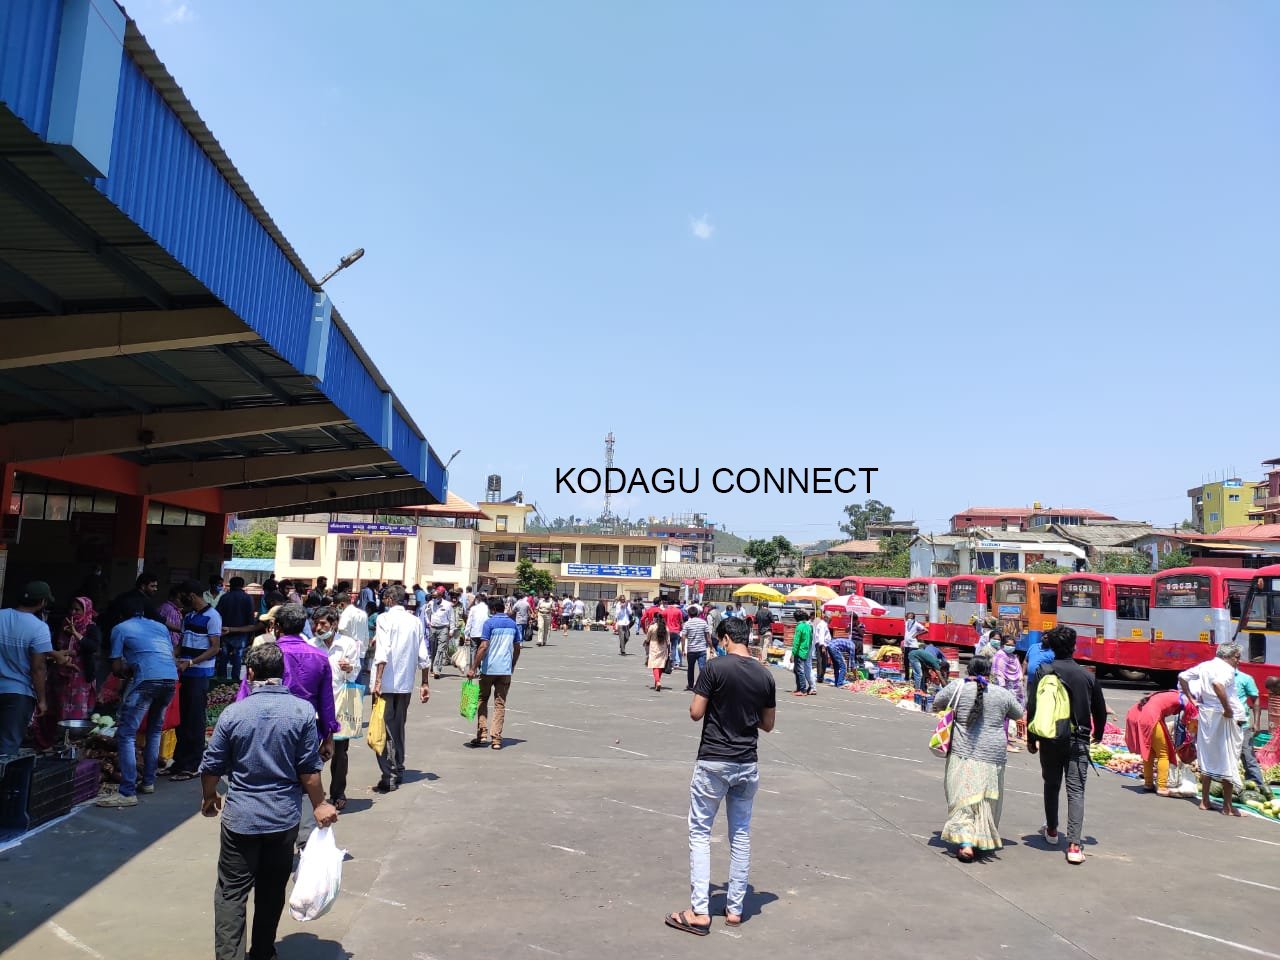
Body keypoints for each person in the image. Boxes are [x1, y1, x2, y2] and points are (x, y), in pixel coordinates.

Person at [200, 642, 338, 960]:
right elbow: (309, 770)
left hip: (240, 819)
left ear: (249, 674)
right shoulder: (302, 712)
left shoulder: (233, 713)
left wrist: (209, 797)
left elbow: (211, 765)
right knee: (271, 889)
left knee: (231, 892)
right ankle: (262, 952)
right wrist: (320, 804)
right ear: (283, 673)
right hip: (283, 818)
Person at [665, 616, 776, 937]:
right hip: (747, 762)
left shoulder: (714, 668)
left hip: (714, 760)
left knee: (700, 831)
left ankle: (700, 911)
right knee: (740, 834)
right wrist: (745, 712)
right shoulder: (764, 675)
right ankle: (735, 908)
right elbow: (768, 724)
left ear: (726, 638)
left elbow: (695, 712)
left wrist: (720, 703)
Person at [1026, 626, 1107, 865]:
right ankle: (1074, 844)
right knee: (1076, 790)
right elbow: (1100, 711)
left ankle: (1052, 830)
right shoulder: (1087, 676)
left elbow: (1033, 706)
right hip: (1079, 739)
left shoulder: (1043, 671)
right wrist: (1098, 733)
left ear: (1051, 647)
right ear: (1074, 646)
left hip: (1050, 738)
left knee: (1051, 785)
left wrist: (1031, 738)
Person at [931, 654, 1024, 862]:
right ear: (988, 673)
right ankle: (980, 838)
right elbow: (1019, 713)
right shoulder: (1002, 693)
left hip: (963, 751)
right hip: (993, 753)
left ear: (969, 670)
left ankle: (966, 843)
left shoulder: (957, 687)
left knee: (963, 796)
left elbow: (937, 702)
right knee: (985, 799)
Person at [97, 612, 178, 807]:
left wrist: (126, 671)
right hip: (170, 678)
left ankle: (127, 792)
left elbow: (116, 667)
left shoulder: (120, 628)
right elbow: (169, 655)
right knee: (154, 730)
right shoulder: (160, 627)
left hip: (147, 680)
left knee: (126, 733)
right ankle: (148, 782)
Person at [372, 584, 430, 793]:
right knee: (398, 726)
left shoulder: (384, 619)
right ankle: (398, 766)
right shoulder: (414, 621)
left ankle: (390, 774)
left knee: (383, 728)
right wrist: (425, 682)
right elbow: (423, 653)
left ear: (389, 599)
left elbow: (383, 650)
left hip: (386, 682)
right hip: (405, 683)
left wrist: (378, 680)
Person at [1179, 642, 1247, 816]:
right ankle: (1227, 806)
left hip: (1207, 715)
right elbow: (1218, 684)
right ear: (1229, 656)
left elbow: (1182, 677)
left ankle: (1205, 801)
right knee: (1228, 758)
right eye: (1237, 657)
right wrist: (1228, 709)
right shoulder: (1226, 669)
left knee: (1207, 756)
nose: (1238, 661)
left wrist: (1192, 699)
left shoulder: (1205, 666)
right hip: (1223, 718)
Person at [168, 581, 223, 781]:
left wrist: (191, 662)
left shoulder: (213, 616)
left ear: (191, 595)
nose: (180, 600)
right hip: (184, 672)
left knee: (194, 720)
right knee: (181, 720)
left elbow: (215, 648)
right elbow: (181, 644)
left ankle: (192, 765)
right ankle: (179, 762)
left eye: (182, 596)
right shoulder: (188, 616)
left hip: (199, 674)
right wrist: (170, 656)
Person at [35, 596, 100, 749]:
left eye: (77, 610)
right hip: (60, 674)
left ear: (86, 611)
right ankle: (55, 741)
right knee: (58, 707)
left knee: (76, 710)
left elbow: (92, 647)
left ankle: (73, 742)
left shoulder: (91, 627)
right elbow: (52, 647)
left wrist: (76, 633)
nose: (73, 612)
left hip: (80, 676)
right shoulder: (63, 625)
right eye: (72, 609)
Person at [0, 582, 55, 756]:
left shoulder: (1, 615)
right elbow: (38, 668)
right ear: (42, 602)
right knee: (7, 747)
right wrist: (42, 700)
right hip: (18, 694)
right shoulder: (39, 628)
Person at [314, 605, 359, 810]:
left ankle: (338, 792)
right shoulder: (312, 645)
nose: (318, 628)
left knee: (340, 753)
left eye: (323, 623)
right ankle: (312, 793)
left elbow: (355, 673)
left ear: (334, 624)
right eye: (316, 624)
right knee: (312, 751)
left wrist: (349, 668)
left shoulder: (348, 644)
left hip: (340, 704)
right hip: (315, 707)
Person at [468, 601, 523, 749]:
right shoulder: (512, 624)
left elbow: (483, 646)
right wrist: (512, 664)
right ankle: (496, 739)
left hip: (489, 669)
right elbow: (517, 647)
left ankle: (482, 734)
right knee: (500, 703)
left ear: (492, 609)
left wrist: (473, 667)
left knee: (482, 699)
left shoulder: (489, 623)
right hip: (505, 670)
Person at [1124, 689, 1194, 796]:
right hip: (1149, 717)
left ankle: (1148, 784)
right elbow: (1189, 719)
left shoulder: (1170, 694)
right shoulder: (1185, 699)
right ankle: (1161, 787)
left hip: (1136, 714)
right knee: (1163, 753)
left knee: (1150, 751)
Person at [215, 577, 257, 682]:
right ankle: (235, 682)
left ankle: (221, 680)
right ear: (242, 585)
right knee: (238, 657)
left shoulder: (224, 597)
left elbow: (217, 615)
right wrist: (251, 634)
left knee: (223, 657)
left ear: (231, 585)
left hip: (225, 632)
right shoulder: (248, 598)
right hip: (241, 632)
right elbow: (251, 619)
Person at [990, 632, 1025, 750]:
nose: (1011, 647)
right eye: (1008, 645)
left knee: (1007, 716)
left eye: (1013, 645)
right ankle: (1003, 742)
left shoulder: (1013, 657)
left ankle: (1005, 740)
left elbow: (1019, 673)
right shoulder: (1000, 656)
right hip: (1003, 691)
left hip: (1013, 692)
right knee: (1003, 716)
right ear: (1002, 645)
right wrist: (1003, 691)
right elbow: (998, 674)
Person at [1235, 667, 1265, 786]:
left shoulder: (1245, 678)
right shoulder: (1217, 677)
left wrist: (1256, 722)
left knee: (1248, 757)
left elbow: (1255, 700)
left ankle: (1259, 785)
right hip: (1223, 725)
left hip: (1242, 725)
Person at [427, 588, 457, 679]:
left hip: (443, 628)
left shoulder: (448, 605)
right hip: (433, 628)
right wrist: (428, 622)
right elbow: (427, 613)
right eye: (433, 597)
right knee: (433, 650)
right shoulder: (431, 603)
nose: (434, 599)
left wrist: (451, 630)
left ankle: (437, 670)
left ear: (440, 596)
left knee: (440, 650)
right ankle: (432, 667)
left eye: (436, 597)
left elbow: (452, 617)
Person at [682, 605, 710, 691]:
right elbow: (708, 636)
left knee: (690, 668)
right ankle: (702, 685)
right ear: (698, 613)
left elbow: (683, 637)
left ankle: (691, 685)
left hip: (691, 649)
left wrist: (683, 649)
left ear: (689, 614)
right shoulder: (703, 622)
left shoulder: (687, 624)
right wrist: (711, 646)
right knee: (702, 668)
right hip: (702, 649)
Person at [645, 613, 671, 692]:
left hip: (654, 647)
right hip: (663, 647)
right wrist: (669, 651)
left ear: (655, 619)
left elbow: (648, 638)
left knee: (655, 665)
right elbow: (668, 641)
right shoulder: (666, 628)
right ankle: (657, 682)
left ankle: (658, 681)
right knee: (660, 665)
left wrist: (646, 642)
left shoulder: (652, 627)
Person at [464, 592, 491, 667]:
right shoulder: (488, 608)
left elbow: (469, 622)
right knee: (483, 650)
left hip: (474, 633)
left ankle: (472, 668)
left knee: (473, 650)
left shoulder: (473, 608)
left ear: (477, 600)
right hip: (485, 633)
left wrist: (466, 634)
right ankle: (482, 668)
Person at [790, 610, 813, 696]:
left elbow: (796, 642)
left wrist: (793, 653)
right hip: (806, 650)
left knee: (799, 671)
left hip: (799, 651)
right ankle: (799, 688)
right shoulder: (808, 626)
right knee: (797, 670)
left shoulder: (799, 627)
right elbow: (811, 639)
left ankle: (803, 690)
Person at [663, 598, 685, 670]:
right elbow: (681, 621)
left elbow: (663, 621)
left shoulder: (665, 610)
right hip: (676, 631)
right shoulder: (678, 611)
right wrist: (681, 629)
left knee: (666, 647)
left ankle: (665, 662)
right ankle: (673, 663)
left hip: (667, 631)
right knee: (674, 647)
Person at [812, 610, 832, 684]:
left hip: (823, 645)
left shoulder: (824, 624)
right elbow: (821, 636)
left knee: (823, 661)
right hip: (821, 645)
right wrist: (823, 646)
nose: (830, 620)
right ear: (826, 617)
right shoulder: (822, 625)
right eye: (830, 618)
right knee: (821, 661)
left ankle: (821, 676)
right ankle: (820, 677)